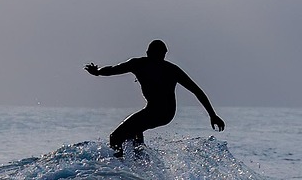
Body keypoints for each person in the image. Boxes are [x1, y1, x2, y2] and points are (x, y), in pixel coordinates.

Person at [84, 39, 224, 158]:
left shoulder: (169, 70)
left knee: (116, 137)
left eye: (160, 55)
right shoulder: (140, 64)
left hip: (163, 113)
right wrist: (98, 72)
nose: (157, 59)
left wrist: (213, 115)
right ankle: (140, 161)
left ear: (163, 55)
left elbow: (196, 91)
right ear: (148, 53)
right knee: (134, 132)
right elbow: (114, 69)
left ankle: (122, 167)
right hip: (158, 112)